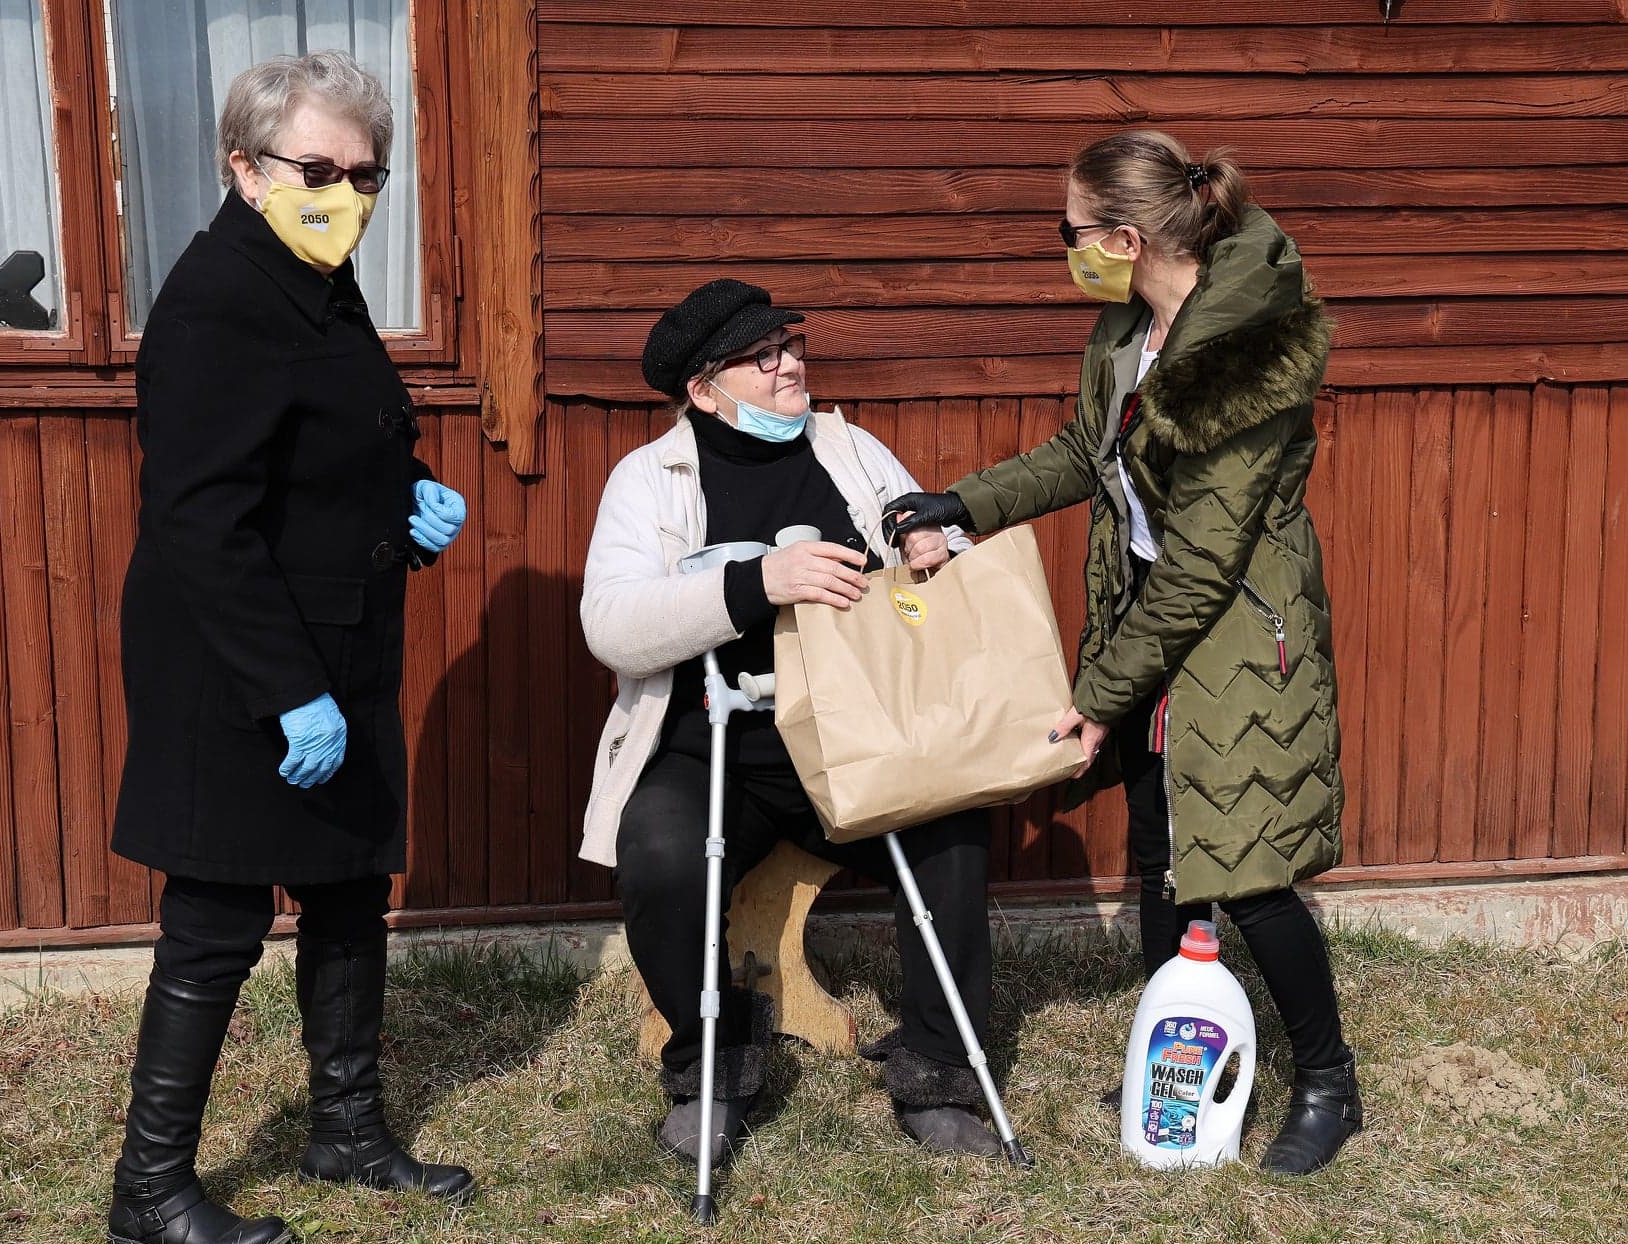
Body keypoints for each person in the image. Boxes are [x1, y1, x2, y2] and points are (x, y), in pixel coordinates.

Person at [886, 130, 1362, 1175]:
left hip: (1236, 631)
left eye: (1069, 230)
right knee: (1161, 849)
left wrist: (1099, 696)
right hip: (1150, 612)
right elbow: (1079, 454)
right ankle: (1169, 1054)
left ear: (1125, 234)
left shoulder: (1240, 349)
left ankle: (1328, 1079)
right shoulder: (1124, 332)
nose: (1063, 247)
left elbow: (1201, 561)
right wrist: (961, 503)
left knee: (1250, 867)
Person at [106, 51, 473, 1244]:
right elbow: (202, 519)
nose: (347, 195)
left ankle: (347, 1132)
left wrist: (408, 493)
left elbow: (330, 445)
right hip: (239, 658)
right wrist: (290, 692)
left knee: (347, 893)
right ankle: (150, 1190)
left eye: (366, 175)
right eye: (318, 170)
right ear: (244, 170)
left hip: (341, 637)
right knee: (215, 914)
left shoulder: (320, 277)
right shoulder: (217, 298)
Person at [579, 278, 1002, 1162]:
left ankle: (938, 1064)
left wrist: (935, 549)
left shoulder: (850, 451)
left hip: (857, 737)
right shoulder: (650, 479)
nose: (790, 366)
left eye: (793, 345)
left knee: (953, 826)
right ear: (704, 388)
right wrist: (756, 584)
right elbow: (611, 626)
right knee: (655, 847)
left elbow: (938, 553)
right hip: (718, 746)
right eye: (762, 356)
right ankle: (716, 1056)